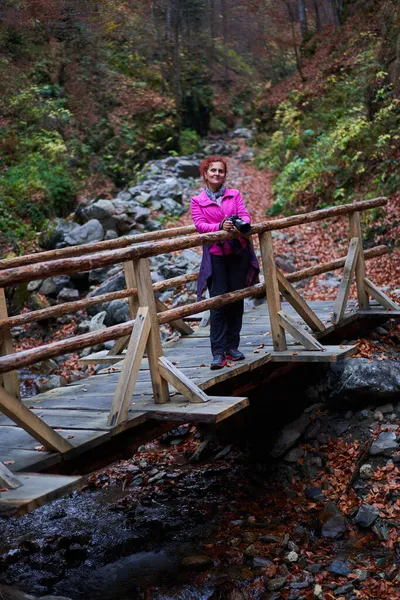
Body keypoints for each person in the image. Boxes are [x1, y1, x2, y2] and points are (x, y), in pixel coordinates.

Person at [191, 156, 259, 370]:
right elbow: (200, 226)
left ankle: (232, 346)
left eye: (220, 171)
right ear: (205, 174)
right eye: (213, 171)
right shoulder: (197, 201)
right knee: (218, 303)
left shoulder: (234, 194)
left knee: (236, 299)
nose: (217, 174)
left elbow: (245, 215)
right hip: (216, 256)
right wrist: (220, 226)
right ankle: (218, 352)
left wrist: (242, 224)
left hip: (237, 253)